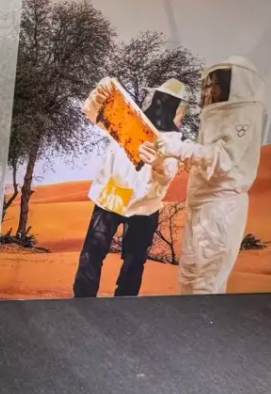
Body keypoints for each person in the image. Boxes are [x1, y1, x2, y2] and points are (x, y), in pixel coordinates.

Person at [158, 56, 265, 295]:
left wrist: (178, 148)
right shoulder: (219, 113)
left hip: (221, 208)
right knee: (189, 274)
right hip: (203, 204)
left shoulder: (244, 115)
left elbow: (221, 159)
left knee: (205, 283)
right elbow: (206, 156)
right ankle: (182, 319)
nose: (210, 90)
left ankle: (200, 321)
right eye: (210, 83)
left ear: (235, 84)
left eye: (217, 83)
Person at [73, 78, 186, 298]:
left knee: (134, 262)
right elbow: (94, 113)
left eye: (168, 100)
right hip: (113, 195)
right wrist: (99, 94)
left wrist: (159, 163)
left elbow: (167, 175)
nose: (162, 103)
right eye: (161, 98)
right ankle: (81, 303)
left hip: (145, 206)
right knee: (93, 252)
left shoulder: (174, 142)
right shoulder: (128, 120)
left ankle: (124, 308)